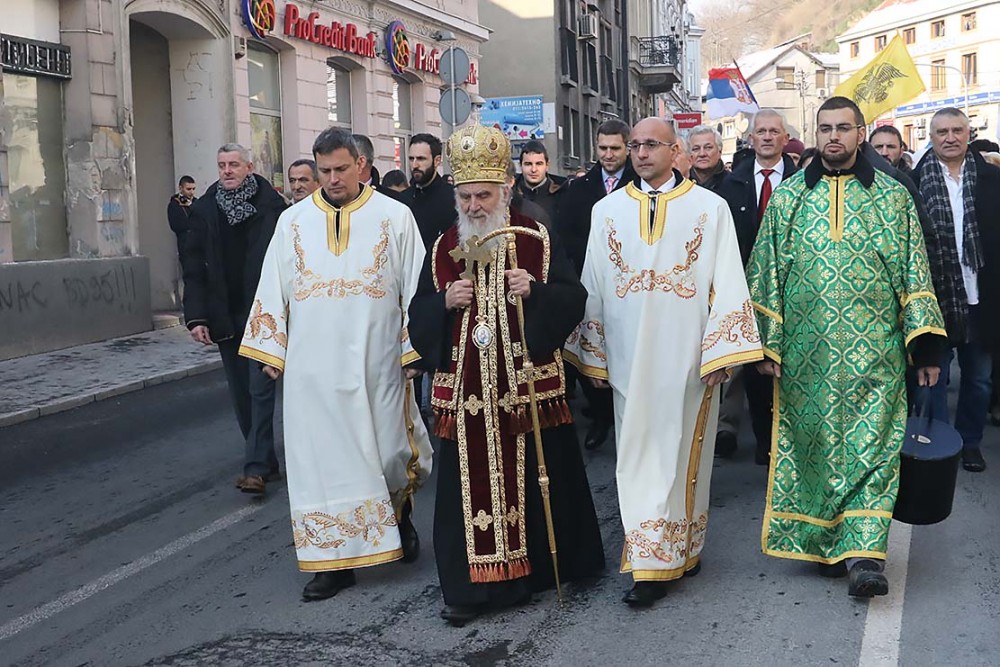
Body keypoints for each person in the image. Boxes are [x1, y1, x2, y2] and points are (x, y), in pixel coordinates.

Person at [747, 97, 947, 597]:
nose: (833, 136)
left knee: (873, 449)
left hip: (875, 352)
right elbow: (765, 273)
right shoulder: (789, 198)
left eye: (843, 128)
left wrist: (924, 349)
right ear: (815, 135)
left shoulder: (893, 196)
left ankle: (865, 554)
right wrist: (767, 346)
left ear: (861, 134)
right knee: (811, 450)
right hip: (805, 355)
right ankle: (825, 540)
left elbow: (914, 271)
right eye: (825, 128)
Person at [407, 122, 605, 626]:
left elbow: (574, 299)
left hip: (524, 385)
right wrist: (443, 304)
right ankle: (470, 591)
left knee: (540, 481)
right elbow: (418, 313)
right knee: (462, 495)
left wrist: (536, 293)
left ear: (505, 190)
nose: (474, 206)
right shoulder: (443, 245)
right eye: (466, 196)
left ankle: (531, 574)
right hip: (467, 395)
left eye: (483, 195)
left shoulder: (535, 237)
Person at [566, 117, 762, 607]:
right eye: (634, 145)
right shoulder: (607, 211)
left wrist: (723, 351)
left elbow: (728, 280)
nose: (640, 153)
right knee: (636, 457)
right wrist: (594, 354)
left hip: (688, 356)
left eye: (651, 144)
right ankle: (650, 565)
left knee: (680, 455)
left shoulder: (709, 208)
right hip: (631, 356)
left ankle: (684, 548)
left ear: (676, 151)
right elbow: (593, 283)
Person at [239, 128, 433, 601]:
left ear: (362, 166)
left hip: (379, 360)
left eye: (340, 169)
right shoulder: (294, 222)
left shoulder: (396, 217)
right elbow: (273, 285)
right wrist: (272, 350)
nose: (331, 179)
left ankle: (398, 514)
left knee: (390, 453)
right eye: (323, 171)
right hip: (314, 370)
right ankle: (332, 562)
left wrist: (415, 351)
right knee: (322, 465)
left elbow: (417, 288)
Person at [182, 144, 287, 495]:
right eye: (222, 165)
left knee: (260, 390)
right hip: (224, 312)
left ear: (249, 167)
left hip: (263, 311)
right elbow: (193, 267)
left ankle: (255, 468)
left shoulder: (271, 207)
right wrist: (196, 317)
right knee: (241, 394)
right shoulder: (205, 209)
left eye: (234, 165)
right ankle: (265, 459)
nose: (227, 171)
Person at [913, 107, 1000, 473]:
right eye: (941, 132)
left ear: (968, 134)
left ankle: (969, 443)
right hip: (936, 298)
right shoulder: (914, 182)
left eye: (956, 130)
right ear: (930, 138)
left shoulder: (992, 180)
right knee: (934, 378)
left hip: (981, 296)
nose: (950, 137)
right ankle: (940, 445)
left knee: (978, 379)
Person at [713, 109, 798, 462]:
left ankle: (791, 443)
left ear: (783, 139)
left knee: (788, 369)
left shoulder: (803, 181)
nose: (766, 137)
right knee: (756, 369)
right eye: (760, 131)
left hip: (792, 292)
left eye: (773, 131)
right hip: (745, 290)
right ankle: (766, 444)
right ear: (751, 139)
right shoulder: (729, 186)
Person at [560, 119, 637, 450]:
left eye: (615, 148)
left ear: (627, 148)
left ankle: (630, 420)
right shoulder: (579, 188)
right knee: (594, 349)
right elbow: (567, 234)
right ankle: (602, 417)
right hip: (589, 281)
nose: (608, 155)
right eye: (602, 148)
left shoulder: (641, 182)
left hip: (631, 282)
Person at [399, 133, 458, 251]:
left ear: (437, 161)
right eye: (411, 159)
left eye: (421, 159)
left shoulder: (454, 198)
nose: (414, 165)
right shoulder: (402, 200)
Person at [514, 140, 566, 227]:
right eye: (528, 164)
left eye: (539, 164)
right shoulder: (510, 195)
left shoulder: (563, 194)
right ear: (520, 166)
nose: (533, 169)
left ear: (547, 166)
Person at [688, 125, 728, 191]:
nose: (702, 154)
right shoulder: (678, 186)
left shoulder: (736, 186)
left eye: (708, 148)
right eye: (696, 149)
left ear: (719, 151)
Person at [168, 175, 197, 262]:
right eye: (188, 189)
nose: (191, 192)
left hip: (199, 244)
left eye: (193, 189)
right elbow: (175, 225)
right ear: (181, 188)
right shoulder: (174, 205)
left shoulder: (197, 202)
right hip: (185, 243)